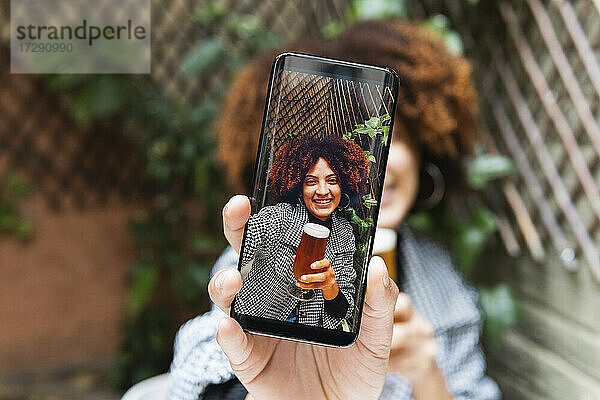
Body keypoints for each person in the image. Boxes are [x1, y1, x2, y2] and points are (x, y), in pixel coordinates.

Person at [169, 20, 501, 400]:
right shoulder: (263, 251)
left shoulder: (440, 276)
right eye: (346, 145)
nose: (373, 167)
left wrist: (425, 375)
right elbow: (197, 376)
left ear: (426, 146)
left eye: (390, 138)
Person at [235, 134, 369, 329]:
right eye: (311, 181)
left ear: (344, 186)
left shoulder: (344, 233)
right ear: (298, 187)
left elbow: (342, 310)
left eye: (332, 180)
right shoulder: (280, 217)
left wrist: (331, 286)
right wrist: (237, 234)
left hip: (311, 342)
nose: (323, 191)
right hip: (260, 328)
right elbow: (251, 237)